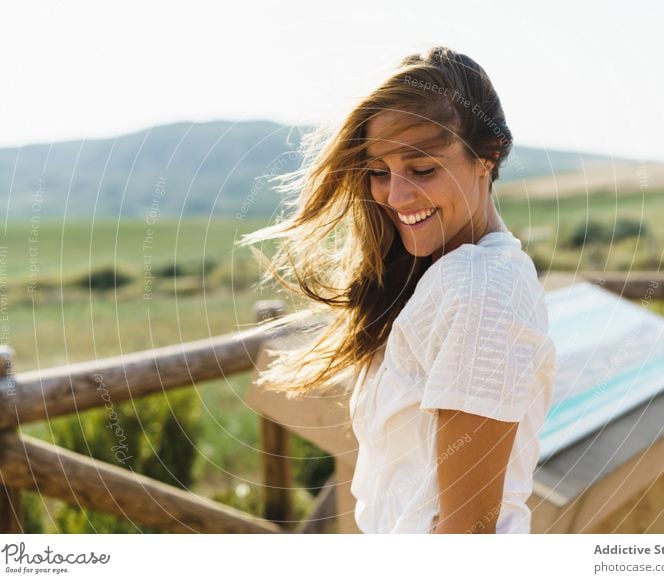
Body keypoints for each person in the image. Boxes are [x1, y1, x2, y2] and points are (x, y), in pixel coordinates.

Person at [238, 45, 557, 534]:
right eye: (379, 172)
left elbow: (467, 533)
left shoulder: (480, 291)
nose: (396, 195)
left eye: (423, 169)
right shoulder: (447, 275)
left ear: (486, 156)